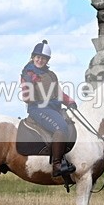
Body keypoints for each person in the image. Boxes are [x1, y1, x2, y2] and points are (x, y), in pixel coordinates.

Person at [20, 39, 77, 179]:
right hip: (38, 109)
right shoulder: (28, 74)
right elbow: (26, 96)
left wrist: (70, 102)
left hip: (53, 108)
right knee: (60, 127)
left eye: (43, 58)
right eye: (38, 57)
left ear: (47, 60)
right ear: (33, 57)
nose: (40, 60)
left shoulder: (51, 75)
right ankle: (57, 165)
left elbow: (58, 92)